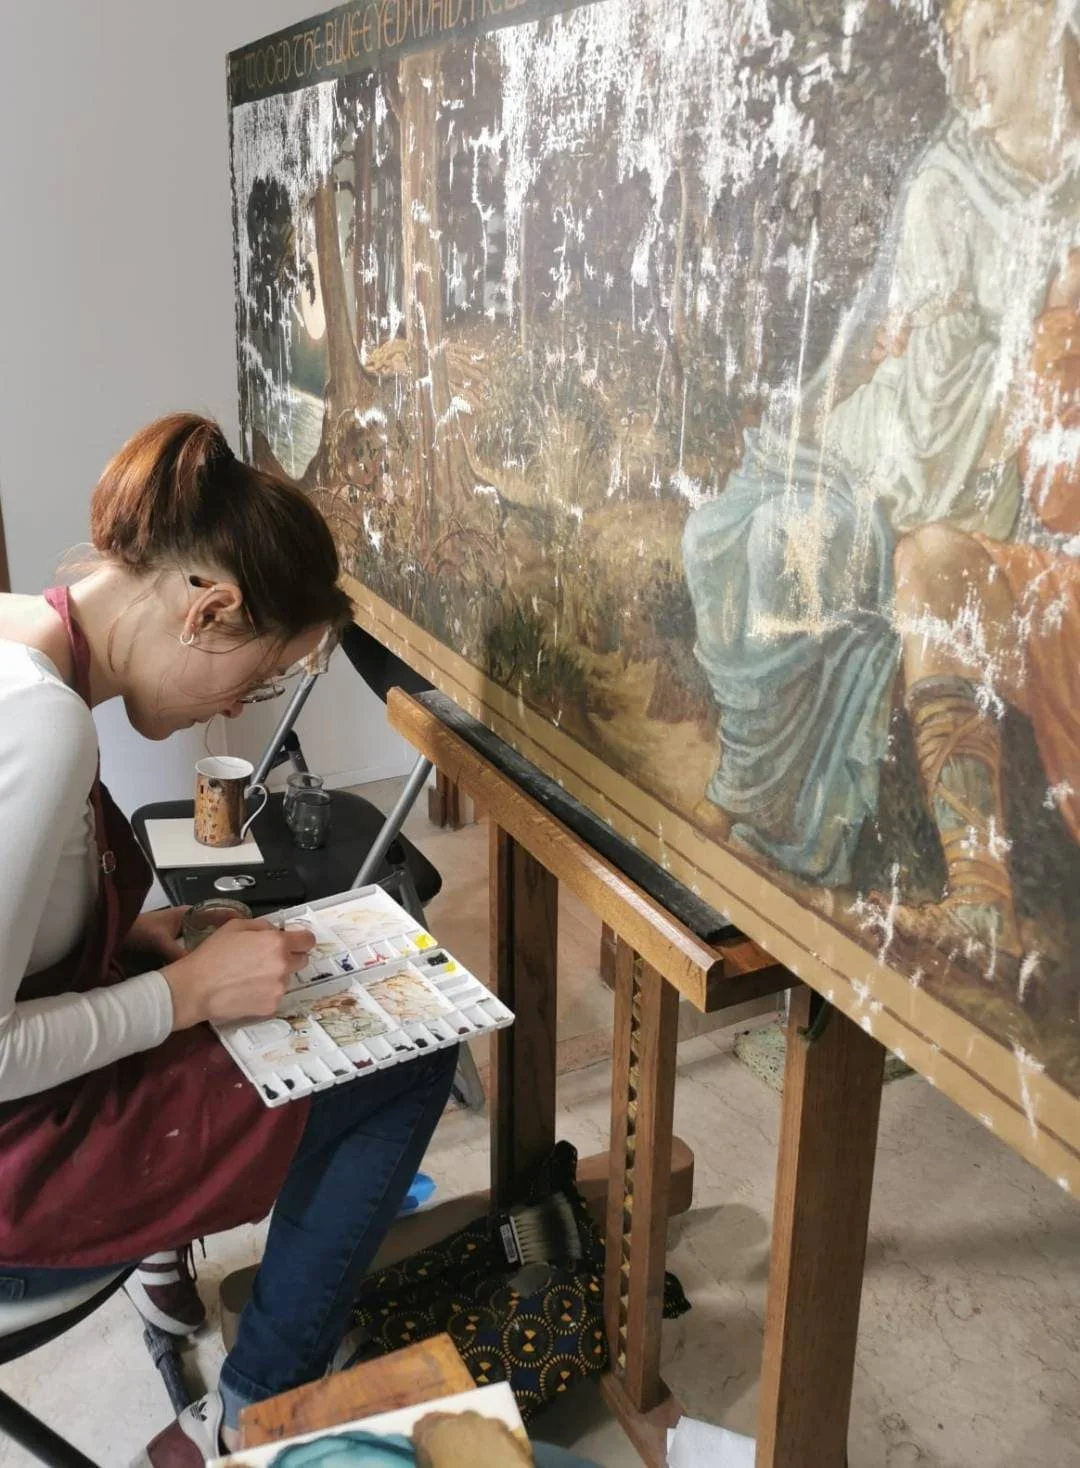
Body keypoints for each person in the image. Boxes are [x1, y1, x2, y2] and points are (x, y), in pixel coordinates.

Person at [0, 413, 458, 1465]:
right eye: (253, 680)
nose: (236, 710)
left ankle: (173, 1287)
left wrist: (135, 948)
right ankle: (251, 1411)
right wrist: (189, 994)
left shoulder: (19, 635)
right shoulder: (41, 721)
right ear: (209, 609)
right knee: (413, 1052)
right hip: (15, 1186)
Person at [682, 0, 1080, 889]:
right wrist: (824, 407)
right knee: (729, 532)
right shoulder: (950, 177)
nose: (970, 66)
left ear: (1055, 23)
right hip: (911, 450)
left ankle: (764, 804)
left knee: (790, 542)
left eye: (995, 32)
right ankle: (756, 797)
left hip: (975, 477)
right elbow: (913, 388)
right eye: (958, 41)